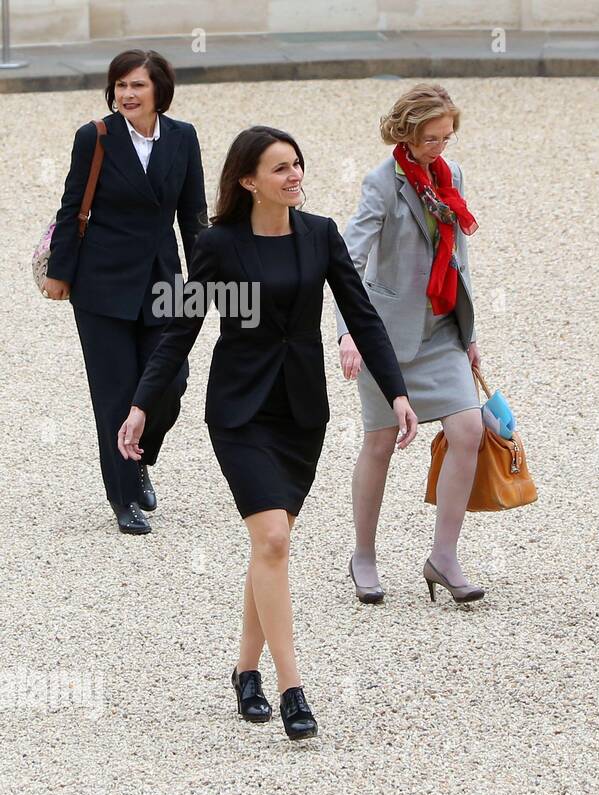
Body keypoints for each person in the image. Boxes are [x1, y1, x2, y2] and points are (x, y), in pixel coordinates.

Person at [118, 127, 418, 740]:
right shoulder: (219, 244)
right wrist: (143, 404)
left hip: (302, 412)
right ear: (248, 180)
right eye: (280, 168)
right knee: (275, 539)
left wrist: (397, 393)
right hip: (239, 411)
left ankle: (244, 670)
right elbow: (182, 327)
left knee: (268, 548)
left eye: (297, 165)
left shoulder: (321, 235)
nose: (294, 175)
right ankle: (292, 688)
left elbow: (361, 314)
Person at [43, 49, 207, 534]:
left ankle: (140, 456)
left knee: (171, 382)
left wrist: (205, 279)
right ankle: (123, 497)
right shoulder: (94, 137)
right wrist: (60, 272)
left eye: (137, 85)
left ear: (159, 90)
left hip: (164, 281)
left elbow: (193, 216)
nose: (127, 94)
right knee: (115, 394)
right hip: (102, 286)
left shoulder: (183, 137)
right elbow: (73, 205)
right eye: (120, 85)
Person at [336, 83, 485, 604]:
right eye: (431, 138)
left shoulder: (452, 175)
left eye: (447, 137)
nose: (440, 148)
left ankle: (444, 556)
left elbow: (459, 256)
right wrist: (348, 331)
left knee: (469, 429)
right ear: (406, 132)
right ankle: (364, 555)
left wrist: (469, 335)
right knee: (380, 443)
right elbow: (349, 261)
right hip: (386, 334)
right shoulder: (380, 183)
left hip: (442, 327)